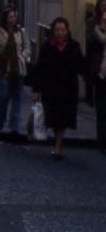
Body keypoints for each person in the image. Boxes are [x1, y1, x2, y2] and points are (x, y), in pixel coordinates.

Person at [32, 17, 87, 160]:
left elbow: (81, 65)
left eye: (62, 30)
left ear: (67, 31)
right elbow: (40, 68)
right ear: (53, 31)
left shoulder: (74, 46)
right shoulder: (47, 47)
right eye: (57, 30)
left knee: (62, 119)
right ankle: (54, 141)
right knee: (53, 117)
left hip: (67, 89)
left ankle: (58, 146)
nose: (60, 33)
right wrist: (36, 89)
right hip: (51, 89)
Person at [0, 6, 30, 141]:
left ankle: (14, 128)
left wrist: (22, 57)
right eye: (11, 16)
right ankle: (0, 121)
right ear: (5, 18)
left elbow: (27, 47)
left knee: (17, 98)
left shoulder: (21, 32)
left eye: (15, 16)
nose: (13, 19)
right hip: (4, 70)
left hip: (18, 69)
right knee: (4, 97)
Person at [86, 9, 106, 155]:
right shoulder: (94, 31)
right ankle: (102, 143)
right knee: (101, 110)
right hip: (101, 74)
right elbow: (91, 48)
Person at [85, 0, 106, 106]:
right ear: (98, 7)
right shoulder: (92, 22)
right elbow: (88, 42)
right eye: (103, 5)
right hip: (98, 65)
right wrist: (101, 27)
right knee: (100, 101)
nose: (105, 8)